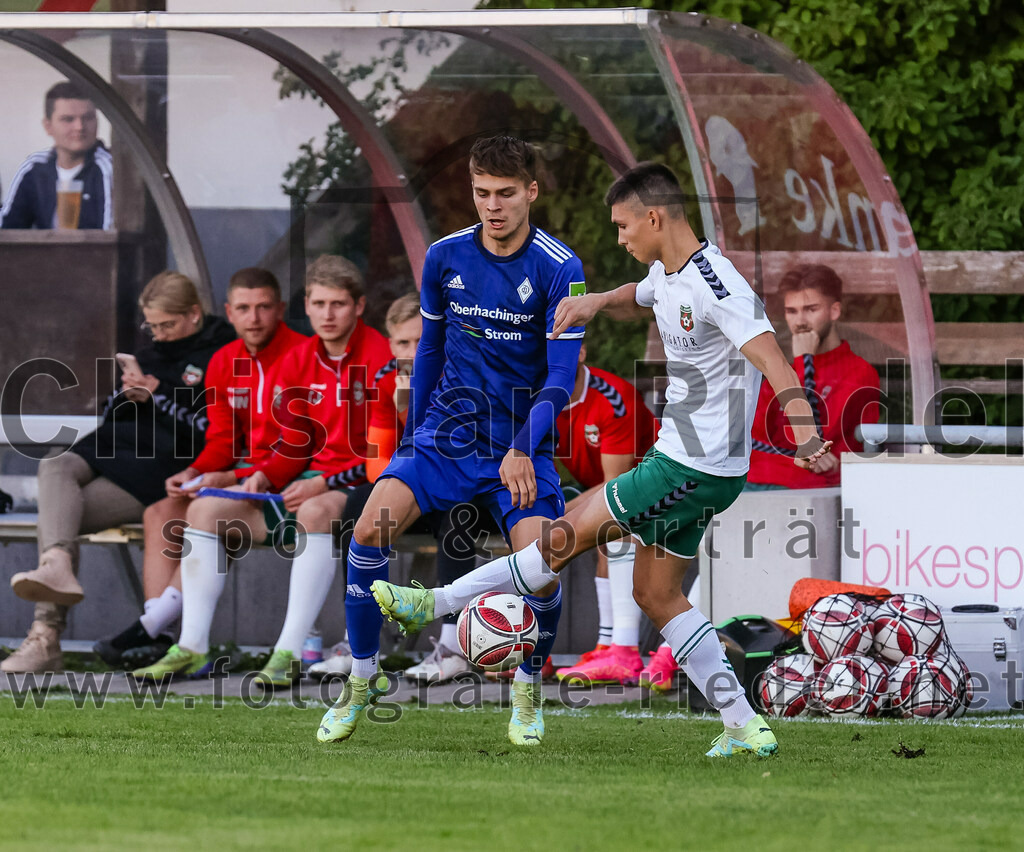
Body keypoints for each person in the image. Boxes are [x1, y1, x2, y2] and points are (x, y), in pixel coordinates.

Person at [373, 162, 833, 759]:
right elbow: (633, 295)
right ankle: (745, 724)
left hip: (689, 468)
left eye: (622, 227)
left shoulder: (717, 285)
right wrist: (592, 302)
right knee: (657, 593)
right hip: (695, 468)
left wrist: (805, 434)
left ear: (654, 217)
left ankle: (435, 604)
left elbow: (775, 362)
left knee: (563, 537)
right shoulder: (667, 272)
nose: (619, 238)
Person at [316, 135, 587, 747]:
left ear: (531, 193)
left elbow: (561, 376)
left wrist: (524, 446)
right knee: (366, 530)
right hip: (445, 435)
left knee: (542, 569)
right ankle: (361, 681)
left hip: (519, 444)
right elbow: (432, 349)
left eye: (506, 194)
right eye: (482, 193)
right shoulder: (443, 257)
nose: (493, 206)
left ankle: (527, 687)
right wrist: (412, 443)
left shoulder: (561, 268)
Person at [131, 254, 391, 683]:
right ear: (306, 305)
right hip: (304, 484)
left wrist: (321, 483)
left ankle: (288, 652)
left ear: (359, 307)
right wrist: (264, 476)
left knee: (315, 510)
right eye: (319, 304)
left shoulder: (379, 355)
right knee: (204, 510)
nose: (327, 315)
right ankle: (192, 647)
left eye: (338, 304)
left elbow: (382, 455)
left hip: (359, 485)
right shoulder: (301, 359)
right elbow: (292, 443)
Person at [2, 271, 234, 674]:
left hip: (159, 470)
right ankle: (56, 565)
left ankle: (45, 636)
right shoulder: (151, 353)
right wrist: (125, 395)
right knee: (55, 465)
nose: (159, 334)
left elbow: (209, 432)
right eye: (152, 326)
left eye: (167, 324)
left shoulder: (222, 353)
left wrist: (158, 395)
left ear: (194, 314)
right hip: (109, 450)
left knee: (56, 520)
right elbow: (113, 417)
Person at [92, 267, 306, 667]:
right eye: (244, 308)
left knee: (205, 511)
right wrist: (195, 472)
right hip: (247, 479)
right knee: (162, 508)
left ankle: (156, 628)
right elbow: (222, 439)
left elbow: (303, 441)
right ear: (229, 311)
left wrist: (235, 476)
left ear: (279, 309)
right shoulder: (225, 360)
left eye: (263, 307)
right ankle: (160, 638)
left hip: (293, 482)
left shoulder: (303, 353)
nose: (254, 318)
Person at [547, 344, 658, 686]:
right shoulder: (537, 399)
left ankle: (624, 653)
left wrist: (563, 511)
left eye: (557, 350)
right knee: (536, 525)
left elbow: (618, 484)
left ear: (581, 352)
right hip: (606, 488)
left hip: (654, 483)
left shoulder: (612, 398)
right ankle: (606, 645)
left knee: (614, 526)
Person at [747, 263, 880, 489]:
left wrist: (804, 361)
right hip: (755, 480)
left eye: (811, 309)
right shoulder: (784, 369)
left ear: (834, 311)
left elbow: (813, 438)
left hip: (805, 486)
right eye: (792, 311)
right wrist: (800, 364)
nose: (800, 322)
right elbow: (756, 436)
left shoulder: (859, 373)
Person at [0, 81, 112, 230]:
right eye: (68, 119)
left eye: (88, 118)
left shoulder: (107, 168)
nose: (79, 127)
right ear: (48, 126)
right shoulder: (35, 168)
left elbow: (110, 238)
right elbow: (7, 229)